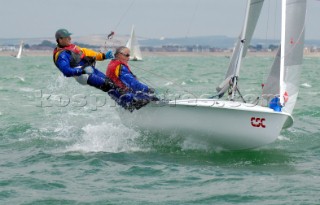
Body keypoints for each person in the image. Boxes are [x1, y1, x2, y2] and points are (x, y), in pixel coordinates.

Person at [106, 46, 158, 111]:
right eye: (127, 55)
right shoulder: (119, 67)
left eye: (129, 55)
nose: (128, 58)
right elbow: (134, 84)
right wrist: (148, 89)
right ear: (119, 55)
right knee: (154, 98)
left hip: (119, 98)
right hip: (127, 97)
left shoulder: (112, 64)